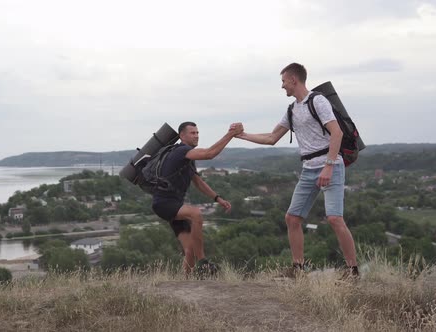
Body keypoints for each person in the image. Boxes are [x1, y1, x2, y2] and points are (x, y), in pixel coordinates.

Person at [236, 63, 358, 278]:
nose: (282, 86)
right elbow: (271, 138)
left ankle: (352, 271)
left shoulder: (317, 101)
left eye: (283, 81)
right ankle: (298, 269)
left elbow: (336, 133)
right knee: (292, 218)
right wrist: (242, 135)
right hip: (308, 168)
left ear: (294, 79)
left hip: (330, 165)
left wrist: (328, 168)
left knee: (334, 218)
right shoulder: (292, 110)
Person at [152, 121, 243, 275]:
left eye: (197, 133)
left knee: (189, 249)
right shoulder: (181, 151)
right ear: (182, 136)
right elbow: (209, 154)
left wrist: (217, 198)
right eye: (192, 133)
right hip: (164, 203)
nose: (196, 136)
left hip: (173, 203)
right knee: (196, 214)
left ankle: (186, 282)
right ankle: (203, 262)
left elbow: (198, 182)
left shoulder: (187, 158)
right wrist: (231, 134)